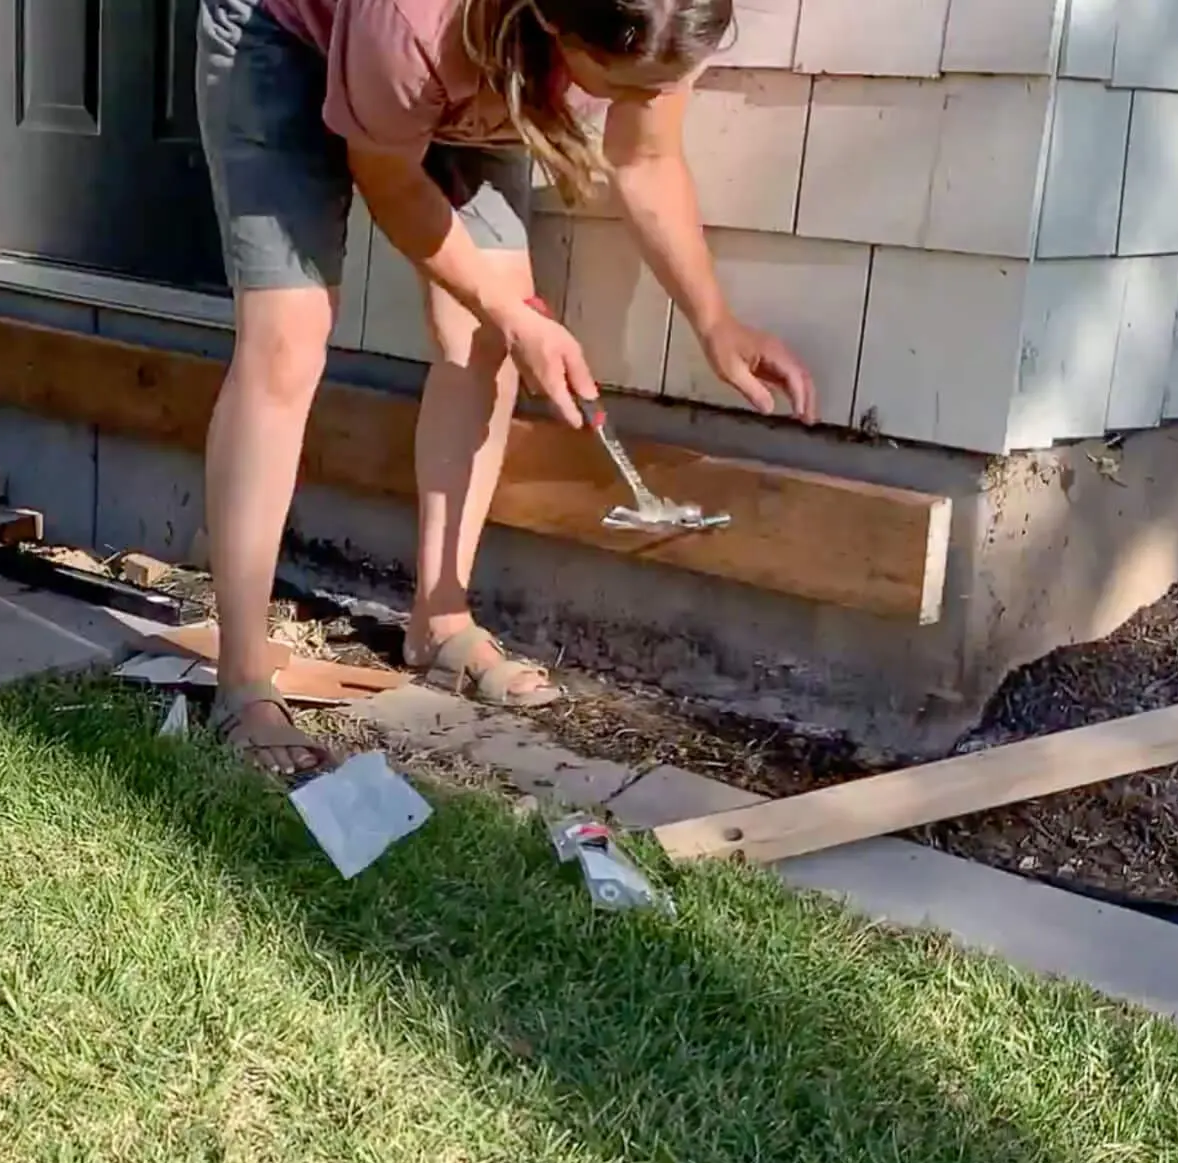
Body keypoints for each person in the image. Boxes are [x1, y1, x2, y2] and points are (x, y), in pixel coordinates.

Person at [195, 0, 817, 774]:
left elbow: (647, 158)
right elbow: (386, 175)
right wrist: (508, 310)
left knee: (487, 335)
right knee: (288, 339)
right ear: (559, 25)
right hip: (287, 36)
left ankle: (440, 622)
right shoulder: (414, 22)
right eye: (623, 87)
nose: (643, 104)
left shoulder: (665, 13)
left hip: (473, 74)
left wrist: (715, 322)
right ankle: (244, 679)